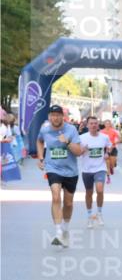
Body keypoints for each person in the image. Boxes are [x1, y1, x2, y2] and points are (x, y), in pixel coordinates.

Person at [37, 105, 83, 247]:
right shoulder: (45, 129)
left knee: (68, 203)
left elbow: (79, 152)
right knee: (56, 196)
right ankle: (58, 232)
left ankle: (65, 230)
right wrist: (40, 158)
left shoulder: (71, 129)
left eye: (58, 115)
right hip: (53, 168)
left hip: (70, 171)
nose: (55, 118)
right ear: (49, 116)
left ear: (63, 116)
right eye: (52, 115)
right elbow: (39, 141)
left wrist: (67, 142)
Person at [78, 116, 112, 228]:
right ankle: (89, 216)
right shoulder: (82, 138)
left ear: (98, 125)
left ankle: (99, 213)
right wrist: (83, 150)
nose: (93, 125)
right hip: (87, 169)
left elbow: (109, 146)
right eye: (91, 123)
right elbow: (77, 152)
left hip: (100, 168)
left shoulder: (104, 137)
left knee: (100, 190)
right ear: (87, 125)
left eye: (95, 123)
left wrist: (107, 153)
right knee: (89, 193)